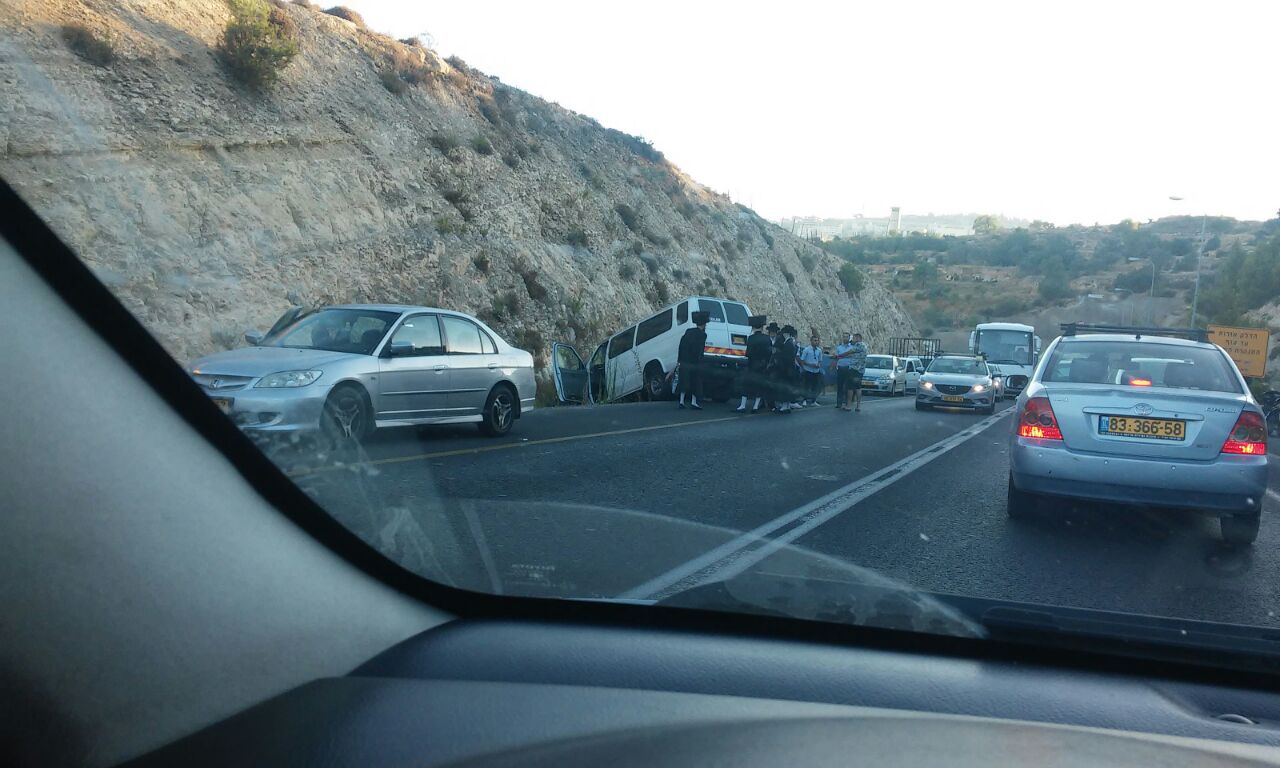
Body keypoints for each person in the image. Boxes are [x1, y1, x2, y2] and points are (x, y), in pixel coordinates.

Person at [737, 315, 772, 413]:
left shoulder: (751, 338)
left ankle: (742, 405)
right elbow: (770, 353)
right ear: (762, 327)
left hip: (752, 364)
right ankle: (755, 406)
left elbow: (748, 353)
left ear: (753, 327)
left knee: (747, 384)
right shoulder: (767, 338)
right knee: (759, 386)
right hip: (763, 365)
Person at [676, 310, 709, 409]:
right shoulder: (703, 335)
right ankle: (694, 402)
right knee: (696, 382)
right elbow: (699, 351)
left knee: (684, 381)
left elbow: (681, 346)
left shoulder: (688, 332)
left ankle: (681, 401)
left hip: (685, 360)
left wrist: (679, 360)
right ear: (704, 324)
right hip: (695, 362)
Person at [774, 325, 800, 413]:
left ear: (787, 333)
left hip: (786, 369)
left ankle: (785, 406)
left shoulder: (788, 343)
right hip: (789, 369)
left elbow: (787, 358)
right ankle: (787, 405)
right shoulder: (790, 342)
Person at [832, 333, 858, 412]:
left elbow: (852, 356)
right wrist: (833, 365)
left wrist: (841, 356)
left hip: (849, 368)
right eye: (844, 337)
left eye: (846, 337)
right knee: (840, 385)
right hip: (840, 368)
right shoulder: (839, 347)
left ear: (849, 338)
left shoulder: (852, 347)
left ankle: (847, 402)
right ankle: (839, 403)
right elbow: (836, 357)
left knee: (848, 386)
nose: (845, 338)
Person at [799, 334, 824, 406]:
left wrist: (818, 365)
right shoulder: (806, 350)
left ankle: (813, 400)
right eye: (815, 340)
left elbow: (820, 360)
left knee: (815, 386)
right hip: (808, 370)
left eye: (817, 341)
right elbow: (802, 360)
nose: (816, 342)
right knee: (806, 386)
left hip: (816, 371)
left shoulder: (819, 350)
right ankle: (804, 400)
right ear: (811, 341)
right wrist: (810, 365)